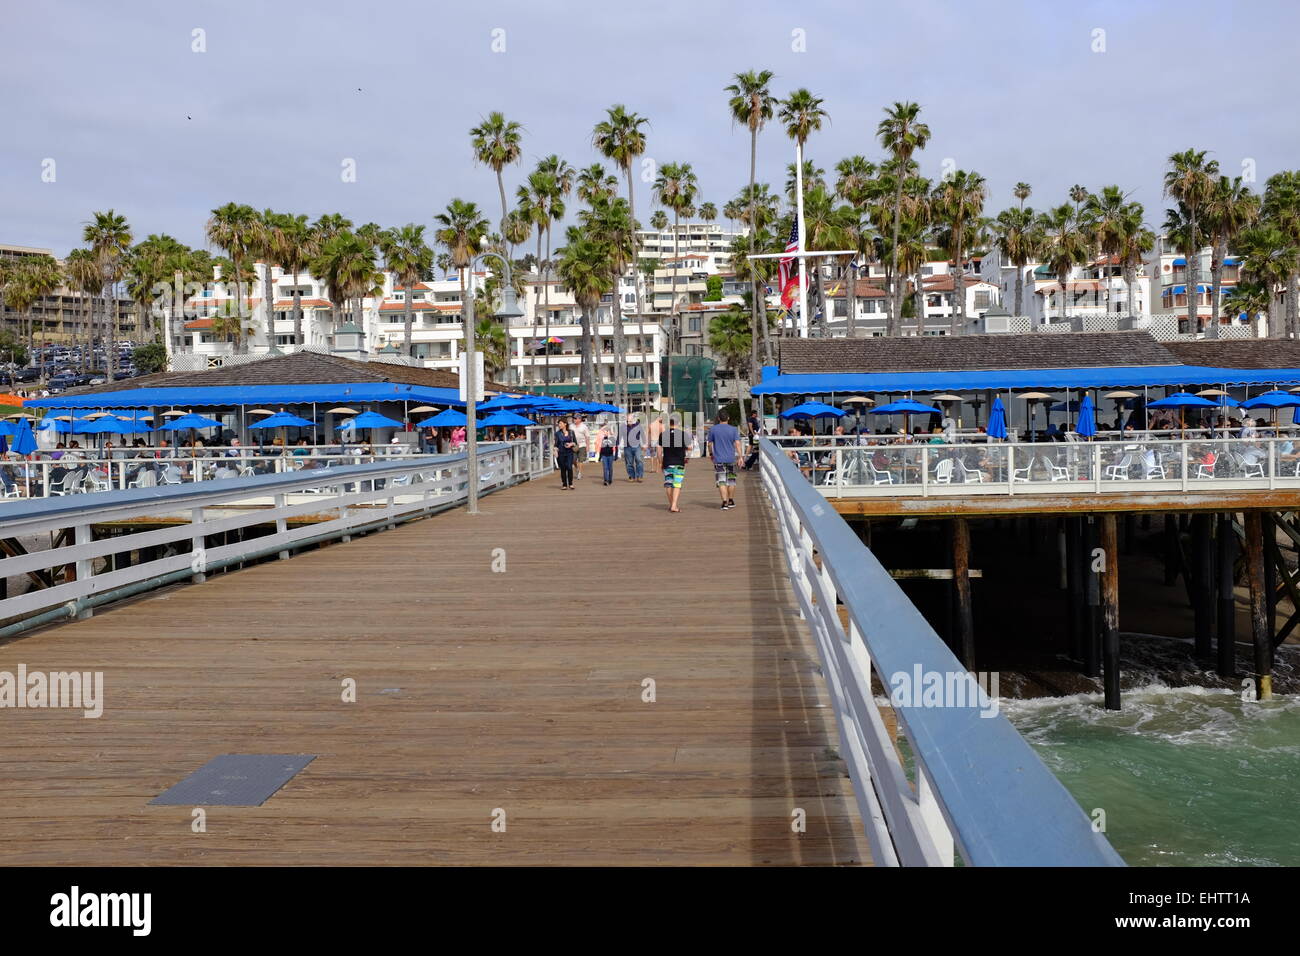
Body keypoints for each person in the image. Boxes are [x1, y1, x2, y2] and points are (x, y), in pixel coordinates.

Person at [706, 410, 741, 510]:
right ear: (728, 418)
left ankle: (724, 502)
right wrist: (741, 456)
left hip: (719, 459)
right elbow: (737, 443)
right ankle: (731, 500)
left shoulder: (713, 429)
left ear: (718, 418)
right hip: (731, 458)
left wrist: (711, 454)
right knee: (731, 480)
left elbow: (709, 444)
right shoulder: (733, 429)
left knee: (721, 481)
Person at [660, 417, 691, 513]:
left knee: (668, 484)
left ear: (670, 423)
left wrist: (660, 462)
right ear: (679, 423)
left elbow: (659, 450)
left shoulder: (663, 435)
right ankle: (674, 505)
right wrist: (687, 457)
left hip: (667, 462)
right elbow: (689, 448)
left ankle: (672, 505)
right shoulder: (683, 434)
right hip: (679, 462)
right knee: (677, 484)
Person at [555, 418, 578, 490]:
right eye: (559, 424)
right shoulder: (557, 433)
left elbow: (575, 443)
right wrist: (555, 450)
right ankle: (564, 484)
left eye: (561, 423)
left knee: (569, 467)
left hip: (569, 452)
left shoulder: (571, 432)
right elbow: (556, 444)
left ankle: (570, 483)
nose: (559, 425)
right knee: (563, 469)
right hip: (561, 453)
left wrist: (571, 444)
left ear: (565, 424)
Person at [621, 414, 644, 482]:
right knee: (629, 463)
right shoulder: (624, 427)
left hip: (637, 446)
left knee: (639, 460)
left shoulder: (638, 426)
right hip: (627, 447)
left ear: (634, 420)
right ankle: (631, 476)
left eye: (630, 421)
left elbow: (642, 434)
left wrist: (644, 444)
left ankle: (639, 476)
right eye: (628, 421)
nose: (629, 423)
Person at [571, 415, 590, 480]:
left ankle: (579, 473)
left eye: (575, 418)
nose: (574, 420)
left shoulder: (584, 427)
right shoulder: (571, 426)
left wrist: (587, 446)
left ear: (579, 419)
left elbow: (587, 437)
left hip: (582, 445)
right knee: (573, 459)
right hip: (574, 445)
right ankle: (576, 468)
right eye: (574, 418)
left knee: (581, 460)